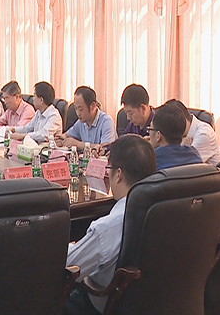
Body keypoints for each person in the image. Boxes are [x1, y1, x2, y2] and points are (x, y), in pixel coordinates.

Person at [64, 135, 156, 315]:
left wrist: (70, 246)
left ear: (119, 174)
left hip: (102, 305)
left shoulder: (109, 227)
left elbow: (69, 266)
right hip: (151, 302)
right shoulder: (163, 211)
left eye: (109, 168)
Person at [56, 86, 117, 151]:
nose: (78, 113)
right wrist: (61, 139)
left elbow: (105, 148)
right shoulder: (81, 122)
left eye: (81, 109)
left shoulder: (106, 122)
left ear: (93, 106)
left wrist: (79, 144)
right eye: (76, 108)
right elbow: (67, 135)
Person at [164, 99, 220, 166]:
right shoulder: (180, 134)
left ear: (182, 119)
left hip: (206, 172)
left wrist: (182, 146)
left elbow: (181, 164)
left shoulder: (204, 134)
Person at [149, 104, 203, 170]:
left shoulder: (151, 160)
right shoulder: (195, 155)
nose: (149, 133)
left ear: (158, 135)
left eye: (150, 129)